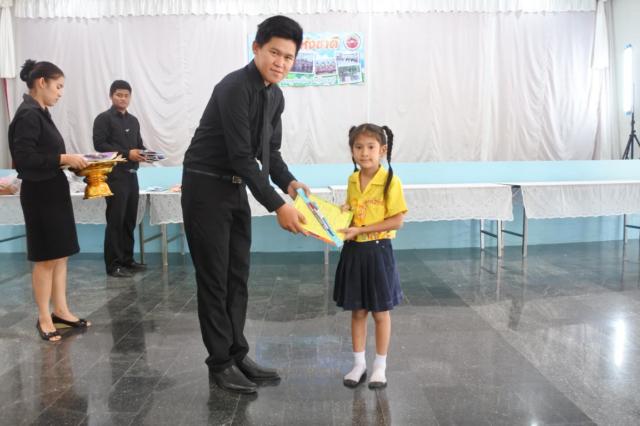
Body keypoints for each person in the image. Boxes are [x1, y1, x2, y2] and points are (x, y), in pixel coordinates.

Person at [181, 15, 309, 394]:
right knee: (214, 278)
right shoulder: (234, 87)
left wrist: (289, 183)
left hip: (235, 187)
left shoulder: (275, 95)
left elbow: (269, 152)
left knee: (237, 276)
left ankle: (237, 353)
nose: (281, 63)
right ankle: (220, 363)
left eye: (288, 57)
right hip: (205, 187)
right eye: (274, 53)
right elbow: (240, 155)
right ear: (256, 48)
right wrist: (278, 206)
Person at [8, 59, 92, 342]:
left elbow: (46, 155)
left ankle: (61, 311)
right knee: (45, 258)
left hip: (53, 190)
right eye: (58, 86)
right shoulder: (28, 115)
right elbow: (25, 158)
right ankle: (44, 317)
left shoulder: (41, 113)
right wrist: (63, 158)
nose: (60, 93)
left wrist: (74, 163)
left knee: (60, 253)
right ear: (41, 82)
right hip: (40, 194)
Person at [334, 123, 407, 389]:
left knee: (380, 312)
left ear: (382, 150)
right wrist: (342, 213)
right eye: (358, 147)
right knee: (358, 311)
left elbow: (397, 220)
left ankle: (379, 366)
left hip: (378, 251)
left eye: (370, 147)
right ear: (352, 151)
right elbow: (354, 210)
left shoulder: (390, 181)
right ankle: (358, 364)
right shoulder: (352, 180)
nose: (364, 153)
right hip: (354, 251)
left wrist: (361, 229)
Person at [93, 80, 147, 278]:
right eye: (119, 95)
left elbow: (138, 144)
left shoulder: (133, 121)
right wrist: (127, 153)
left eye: (126, 95)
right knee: (116, 219)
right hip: (114, 176)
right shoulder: (103, 119)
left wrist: (146, 154)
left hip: (132, 175)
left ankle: (127, 260)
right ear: (111, 96)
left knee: (129, 219)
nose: (123, 99)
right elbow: (100, 145)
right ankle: (114, 265)